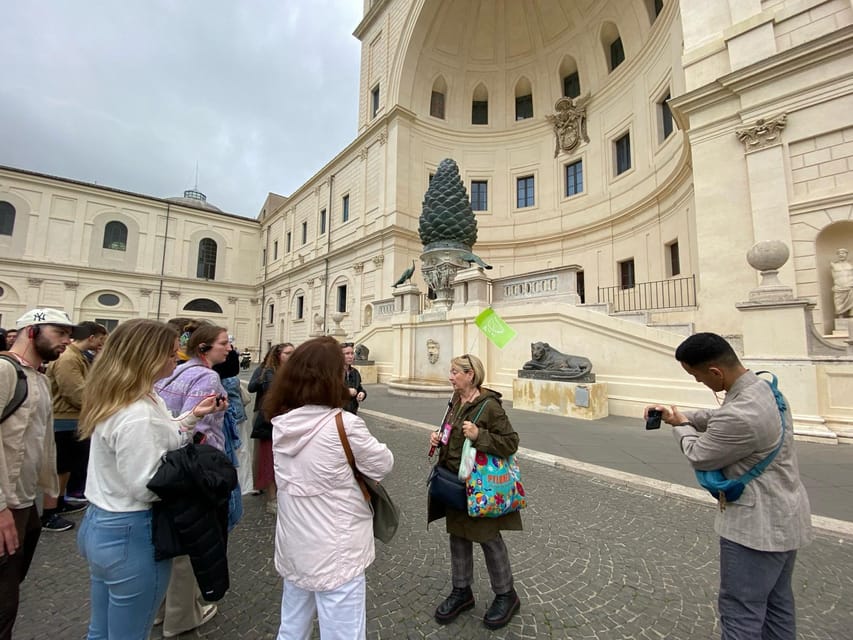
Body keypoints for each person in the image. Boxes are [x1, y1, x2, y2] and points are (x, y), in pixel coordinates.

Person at [646, 332, 812, 639]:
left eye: (696, 376)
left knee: (741, 612)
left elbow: (699, 454)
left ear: (715, 372)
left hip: (756, 529)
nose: (698, 382)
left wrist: (681, 427)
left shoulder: (741, 415)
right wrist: (684, 416)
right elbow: (722, 417)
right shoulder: (765, 389)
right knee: (778, 605)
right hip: (787, 516)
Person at [76, 319, 224, 640]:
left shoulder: (129, 398)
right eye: (172, 354)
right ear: (148, 357)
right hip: (132, 533)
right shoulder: (138, 413)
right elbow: (147, 486)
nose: (178, 360)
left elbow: (164, 433)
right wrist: (196, 478)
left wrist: (192, 417)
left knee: (100, 630)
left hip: (100, 523)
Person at [265, 336, 393, 639]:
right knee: (343, 630)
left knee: (292, 626)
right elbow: (382, 464)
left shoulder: (282, 422)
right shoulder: (343, 425)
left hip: (295, 542)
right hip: (337, 548)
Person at [427, 353, 522, 630]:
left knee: (488, 539)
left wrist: (480, 436)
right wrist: (439, 436)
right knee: (458, 536)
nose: (450, 376)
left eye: (455, 371)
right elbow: (450, 431)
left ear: (471, 375)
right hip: (453, 484)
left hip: (480, 486)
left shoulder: (490, 407)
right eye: (451, 371)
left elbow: (511, 443)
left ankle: (506, 594)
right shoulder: (455, 400)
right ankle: (462, 591)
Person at [0, 308, 76, 640]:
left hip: (24, 503)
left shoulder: (41, 378)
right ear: (32, 332)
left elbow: (41, 443)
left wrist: (49, 494)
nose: (67, 341)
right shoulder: (4, 372)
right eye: (59, 333)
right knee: (3, 604)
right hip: (5, 506)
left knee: (11, 590)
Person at [153, 321, 232, 638]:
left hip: (169, 462)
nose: (229, 347)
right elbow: (192, 425)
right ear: (205, 348)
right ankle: (181, 616)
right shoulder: (207, 375)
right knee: (192, 541)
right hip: (194, 466)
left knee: (172, 538)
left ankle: (161, 610)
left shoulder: (178, 371)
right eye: (224, 343)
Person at [41, 321, 109, 532]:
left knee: (67, 465)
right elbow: (75, 391)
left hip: (73, 418)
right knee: (59, 466)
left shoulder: (77, 357)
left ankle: (59, 501)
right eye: (100, 339)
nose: (101, 344)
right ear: (92, 337)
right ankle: (49, 513)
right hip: (64, 418)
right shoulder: (69, 358)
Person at [248, 342, 294, 514]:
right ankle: (268, 493)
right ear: (278, 355)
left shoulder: (292, 372)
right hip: (269, 418)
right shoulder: (267, 372)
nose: (291, 356)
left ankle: (277, 490)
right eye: (288, 353)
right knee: (266, 456)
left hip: (286, 419)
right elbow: (257, 390)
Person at [342, 341, 366, 414]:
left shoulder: (355, 372)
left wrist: (362, 393)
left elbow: (359, 388)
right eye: (347, 353)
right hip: (337, 414)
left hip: (352, 413)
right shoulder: (333, 372)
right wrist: (346, 391)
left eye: (352, 353)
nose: (351, 356)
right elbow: (327, 392)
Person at [830, 247, 853, 318]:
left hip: (850, 287)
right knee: (838, 304)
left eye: (843, 253)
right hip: (839, 288)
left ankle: (851, 315)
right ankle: (840, 316)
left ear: (846, 254)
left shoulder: (851, 265)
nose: (841, 255)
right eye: (839, 253)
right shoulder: (833, 265)